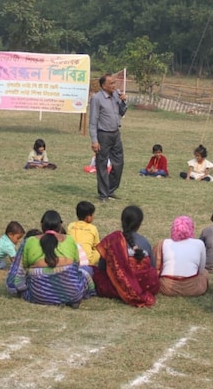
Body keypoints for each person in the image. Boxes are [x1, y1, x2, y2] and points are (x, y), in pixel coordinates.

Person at [5, 210, 95, 307]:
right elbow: (76, 266)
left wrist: (18, 288)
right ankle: (71, 299)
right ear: (60, 225)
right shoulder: (70, 240)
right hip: (72, 294)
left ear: (41, 224)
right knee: (87, 270)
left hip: (39, 296)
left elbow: (18, 273)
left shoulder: (29, 241)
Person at [92, 205, 160, 307]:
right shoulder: (145, 242)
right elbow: (153, 268)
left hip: (116, 287)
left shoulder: (112, 240)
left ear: (122, 221)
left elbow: (102, 267)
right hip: (142, 286)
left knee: (96, 274)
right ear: (139, 224)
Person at [89, 73, 127, 202]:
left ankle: (110, 189)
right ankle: (103, 194)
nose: (114, 85)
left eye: (114, 83)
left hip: (116, 133)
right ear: (103, 85)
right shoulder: (97, 99)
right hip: (103, 134)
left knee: (119, 163)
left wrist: (123, 101)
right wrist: (94, 140)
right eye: (111, 83)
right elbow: (93, 121)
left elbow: (122, 112)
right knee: (102, 164)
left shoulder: (116, 95)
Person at [154, 216, 209, 296]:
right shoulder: (199, 244)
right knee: (205, 273)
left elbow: (155, 267)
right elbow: (201, 270)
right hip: (193, 288)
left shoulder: (163, 243)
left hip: (166, 287)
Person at [67, 201, 101, 269]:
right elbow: (97, 247)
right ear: (88, 217)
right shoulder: (93, 228)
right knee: (100, 250)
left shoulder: (71, 225)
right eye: (93, 215)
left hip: (71, 260)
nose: (94, 217)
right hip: (87, 262)